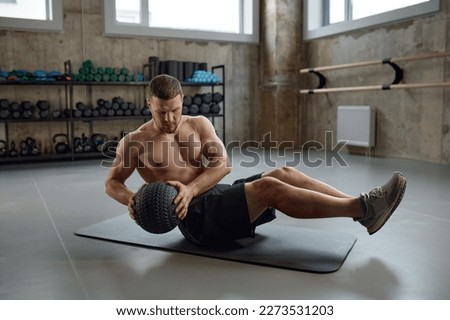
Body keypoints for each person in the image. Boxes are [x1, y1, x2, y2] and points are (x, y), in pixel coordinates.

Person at [105, 74, 407, 246]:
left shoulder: (198, 123)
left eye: (174, 109)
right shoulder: (136, 141)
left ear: (182, 99)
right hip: (196, 220)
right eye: (161, 112)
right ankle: (365, 207)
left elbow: (223, 164)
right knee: (269, 190)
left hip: (214, 197)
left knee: (283, 173)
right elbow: (113, 182)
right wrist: (132, 199)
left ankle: (362, 210)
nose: (169, 118)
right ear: (149, 105)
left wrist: (192, 187)